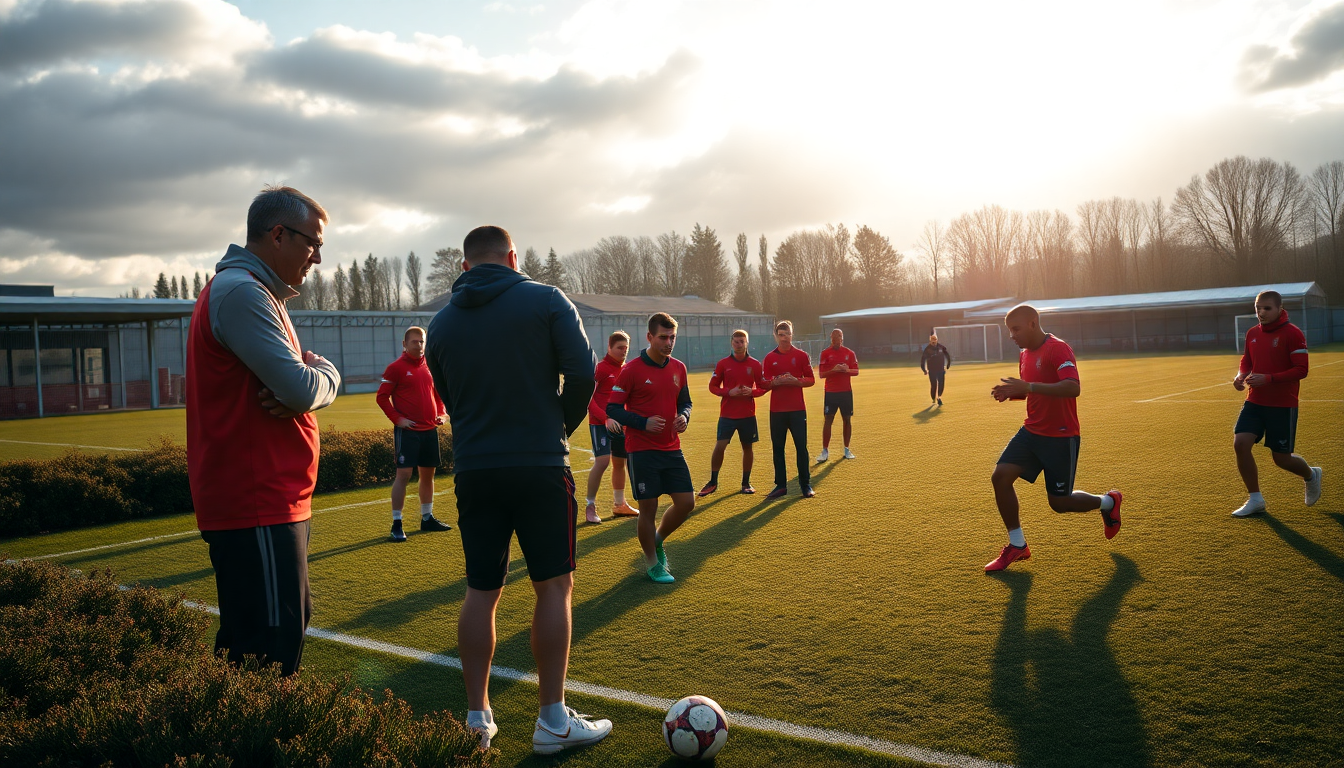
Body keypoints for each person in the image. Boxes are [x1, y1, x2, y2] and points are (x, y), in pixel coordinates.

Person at [425, 225, 611, 754]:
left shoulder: (439, 323)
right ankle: (552, 721)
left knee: (481, 590)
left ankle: (477, 720)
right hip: (539, 464)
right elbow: (583, 375)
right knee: (553, 586)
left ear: (464, 268)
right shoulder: (547, 299)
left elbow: (448, 398)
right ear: (513, 257)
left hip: (475, 469)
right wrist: (558, 427)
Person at [186, 185, 341, 677]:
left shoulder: (255, 291)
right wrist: (329, 376)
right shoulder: (243, 292)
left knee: (269, 637)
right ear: (278, 234)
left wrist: (307, 380)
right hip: (256, 501)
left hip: (269, 499)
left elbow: (294, 388)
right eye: (312, 242)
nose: (317, 257)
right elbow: (298, 388)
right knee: (268, 649)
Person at [985, 304, 1122, 572]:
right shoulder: (1024, 354)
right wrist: (1013, 393)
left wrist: (1029, 387)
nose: (1011, 335)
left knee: (1060, 503)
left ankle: (1109, 502)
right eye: (1009, 330)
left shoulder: (1058, 348)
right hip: (1031, 431)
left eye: (1016, 329)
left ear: (1033, 323)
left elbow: (1073, 387)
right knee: (1000, 477)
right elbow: (1033, 391)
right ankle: (1017, 546)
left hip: (1060, 436)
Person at [607, 313, 695, 584]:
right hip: (642, 450)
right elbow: (612, 408)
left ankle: (656, 540)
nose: (669, 342)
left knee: (686, 503)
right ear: (649, 337)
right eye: (663, 337)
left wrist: (685, 416)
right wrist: (642, 422)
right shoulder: (632, 369)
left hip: (671, 447)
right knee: (649, 509)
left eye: (672, 337)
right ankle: (652, 563)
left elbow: (686, 402)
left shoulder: (679, 367)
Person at [1230, 290, 1322, 517]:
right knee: (1240, 444)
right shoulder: (1252, 333)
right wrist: (1240, 376)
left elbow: (1301, 370)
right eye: (1258, 308)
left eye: (1267, 308)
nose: (1261, 312)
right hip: (1254, 401)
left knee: (1281, 459)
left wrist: (1268, 378)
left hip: (1282, 404)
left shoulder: (1292, 333)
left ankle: (1311, 475)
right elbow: (1247, 361)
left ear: (1279, 309)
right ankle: (1255, 499)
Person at [376, 326, 452, 541]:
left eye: (422, 342)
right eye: (414, 342)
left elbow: (437, 395)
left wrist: (442, 414)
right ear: (404, 344)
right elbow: (382, 397)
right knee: (404, 476)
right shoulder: (395, 368)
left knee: (428, 475)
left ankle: (427, 518)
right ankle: (397, 523)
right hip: (408, 432)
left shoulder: (429, 367)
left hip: (430, 430)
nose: (419, 346)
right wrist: (398, 419)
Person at [699, 329, 767, 496]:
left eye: (742, 341)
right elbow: (712, 387)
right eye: (736, 341)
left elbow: (763, 387)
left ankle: (746, 483)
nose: (739, 344)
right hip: (727, 415)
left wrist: (751, 392)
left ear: (747, 343)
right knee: (720, 446)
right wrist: (729, 392)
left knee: (747, 448)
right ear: (731, 343)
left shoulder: (755, 364)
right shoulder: (723, 364)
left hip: (748, 415)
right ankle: (713, 482)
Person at [584, 331, 640, 523]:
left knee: (619, 463)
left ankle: (619, 505)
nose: (623, 351)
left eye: (626, 348)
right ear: (609, 347)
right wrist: (605, 418)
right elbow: (587, 397)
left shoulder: (626, 370)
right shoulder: (600, 369)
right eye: (619, 347)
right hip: (600, 423)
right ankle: (590, 506)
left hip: (620, 425)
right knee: (602, 461)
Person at [763, 320, 816, 500]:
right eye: (781, 334)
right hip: (777, 411)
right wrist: (775, 382)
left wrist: (796, 381)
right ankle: (780, 486)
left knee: (801, 447)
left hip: (797, 410)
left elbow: (810, 379)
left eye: (787, 334)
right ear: (776, 336)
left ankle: (805, 484)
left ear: (792, 334)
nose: (784, 338)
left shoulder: (801, 356)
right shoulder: (770, 358)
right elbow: (763, 383)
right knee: (778, 448)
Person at [817, 327, 859, 462]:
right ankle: (825, 450)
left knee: (847, 419)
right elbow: (822, 374)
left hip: (846, 392)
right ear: (831, 339)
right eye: (834, 338)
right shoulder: (825, 353)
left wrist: (847, 370)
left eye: (839, 338)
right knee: (828, 420)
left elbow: (856, 371)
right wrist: (834, 370)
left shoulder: (849, 353)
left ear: (842, 338)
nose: (837, 340)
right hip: (831, 392)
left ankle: (847, 449)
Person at [921, 334, 952, 406]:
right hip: (932, 370)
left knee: (941, 383)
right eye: (932, 340)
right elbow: (923, 359)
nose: (933, 342)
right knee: (933, 384)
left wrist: (948, 365)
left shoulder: (941, 347)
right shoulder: (927, 349)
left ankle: (939, 397)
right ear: (930, 341)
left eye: (935, 340)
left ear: (937, 340)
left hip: (941, 369)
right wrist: (924, 369)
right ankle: (933, 398)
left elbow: (947, 355)